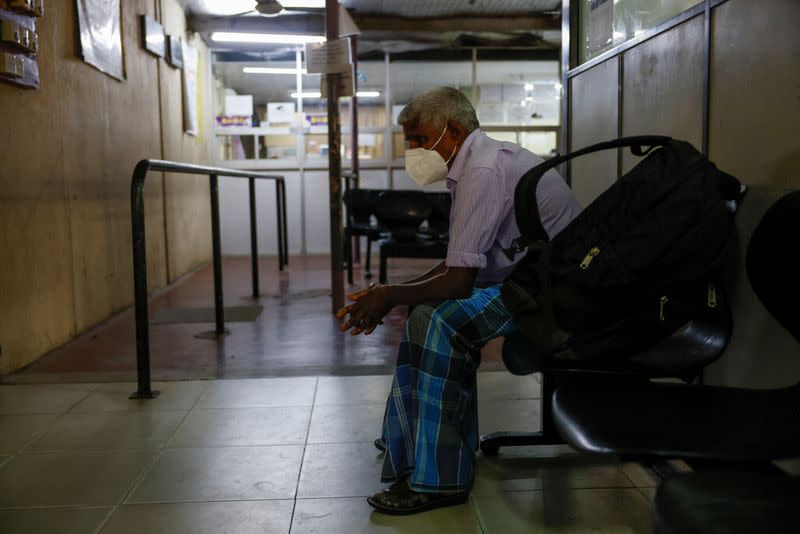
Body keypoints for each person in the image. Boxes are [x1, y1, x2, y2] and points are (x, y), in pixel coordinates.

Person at [335, 86, 582, 515]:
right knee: (423, 310)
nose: (413, 150)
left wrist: (389, 294)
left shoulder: (482, 170)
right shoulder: (476, 164)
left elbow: (459, 282)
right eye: (408, 141)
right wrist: (388, 292)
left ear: (451, 132)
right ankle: (409, 438)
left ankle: (441, 480)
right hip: (528, 281)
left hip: (554, 292)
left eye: (418, 138)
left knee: (440, 322)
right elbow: (458, 265)